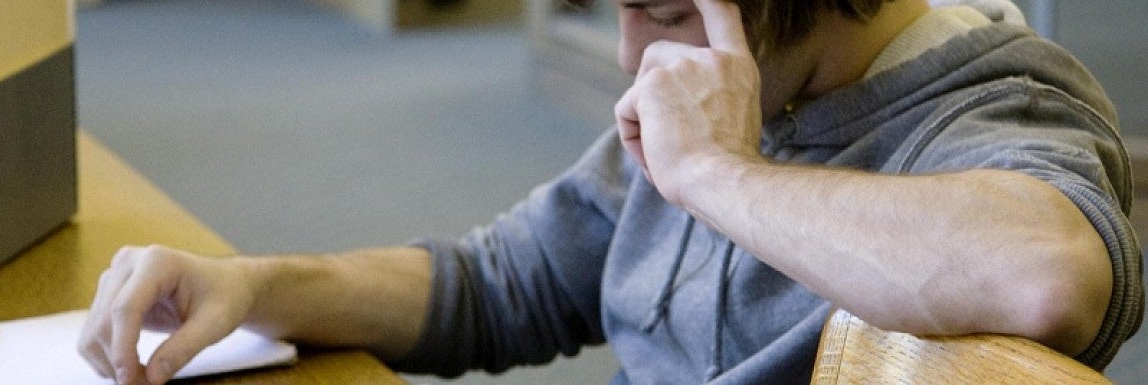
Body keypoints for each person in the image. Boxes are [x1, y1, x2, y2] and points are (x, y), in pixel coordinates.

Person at [77, 0, 1143, 383]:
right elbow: (504, 281)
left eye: (661, 11)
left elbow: (1047, 274)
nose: (634, 56)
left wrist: (722, 178)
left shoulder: (994, 100)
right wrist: (255, 288)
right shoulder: (724, 91)